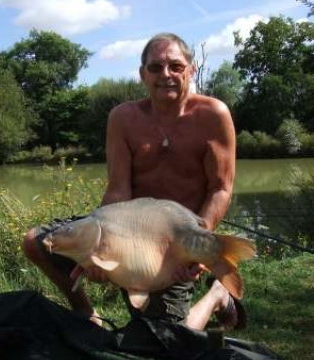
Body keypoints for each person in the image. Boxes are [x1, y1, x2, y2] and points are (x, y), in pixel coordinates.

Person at [23, 33, 243, 331]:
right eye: (155, 67)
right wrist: (98, 251)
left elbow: (220, 189)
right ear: (142, 75)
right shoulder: (123, 118)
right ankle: (87, 315)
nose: (165, 74)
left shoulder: (213, 115)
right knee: (36, 243)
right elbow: (118, 190)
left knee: (169, 340)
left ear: (191, 70)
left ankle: (216, 294)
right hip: (127, 232)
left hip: (176, 239)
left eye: (176, 66)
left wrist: (197, 246)